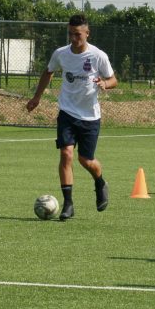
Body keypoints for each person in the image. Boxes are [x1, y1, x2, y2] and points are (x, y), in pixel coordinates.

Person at [26, 14, 118, 221]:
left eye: (77, 34)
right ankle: (68, 204)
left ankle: (100, 182)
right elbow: (48, 72)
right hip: (67, 112)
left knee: (86, 160)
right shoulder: (61, 54)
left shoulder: (97, 56)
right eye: (70, 34)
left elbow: (114, 79)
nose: (73, 38)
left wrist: (105, 84)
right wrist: (36, 97)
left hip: (90, 116)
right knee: (66, 154)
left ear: (87, 33)